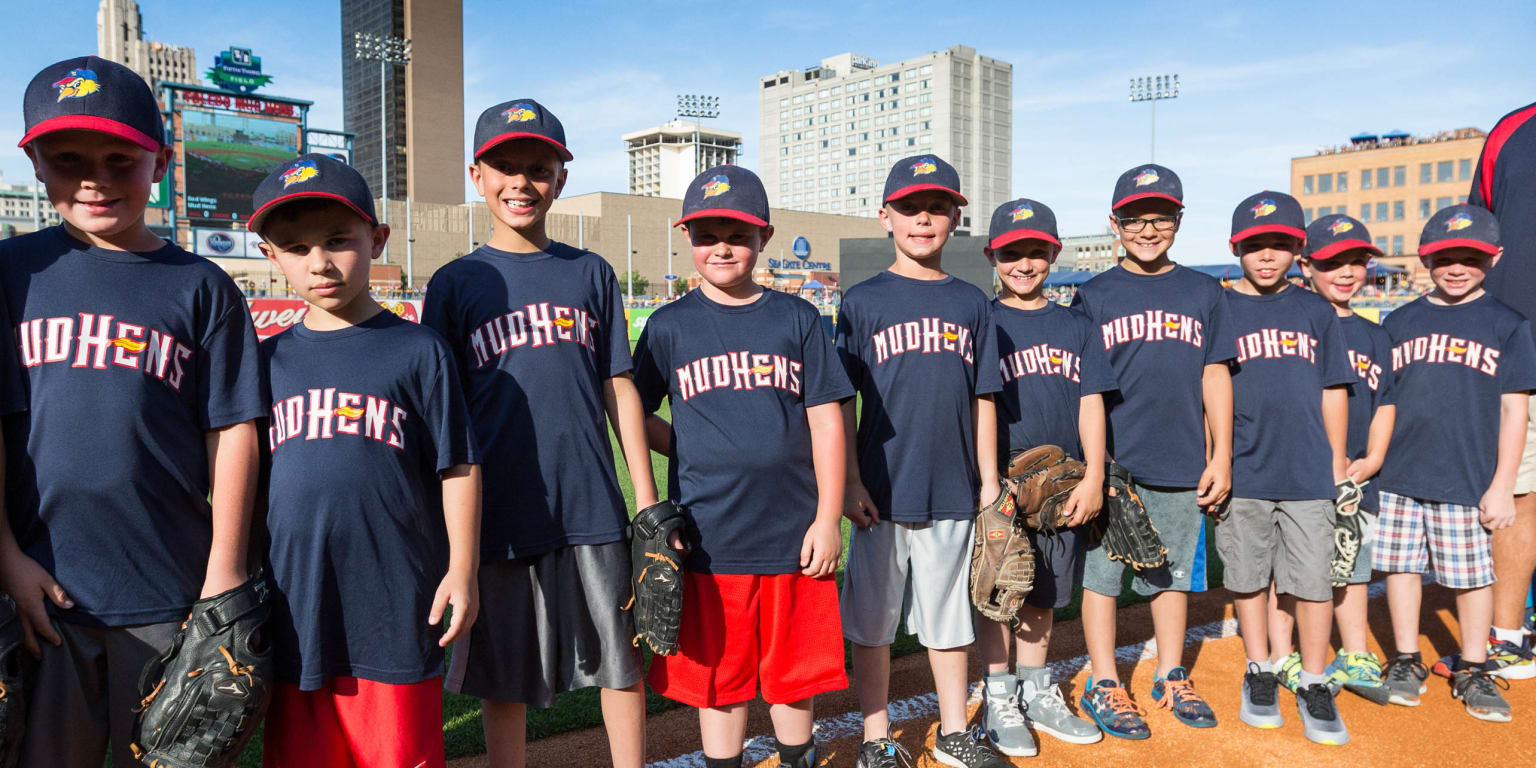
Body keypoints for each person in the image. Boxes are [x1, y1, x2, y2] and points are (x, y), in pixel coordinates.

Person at [0, 56, 265, 767]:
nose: (95, 178)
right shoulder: (12, 273)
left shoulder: (200, 286)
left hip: (169, 589)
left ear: (162, 162)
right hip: (45, 591)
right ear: (33, 160)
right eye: (68, 159)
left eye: (122, 159)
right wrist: (5, 557)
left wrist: (225, 571)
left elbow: (233, 429)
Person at [423, 99, 658, 768]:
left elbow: (619, 383)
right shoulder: (455, 282)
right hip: (496, 509)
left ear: (559, 177)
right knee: (504, 676)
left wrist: (645, 499)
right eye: (504, 167)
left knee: (622, 663)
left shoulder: (589, 273)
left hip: (590, 503)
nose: (520, 182)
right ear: (477, 175)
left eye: (538, 167)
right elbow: (441, 411)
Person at [249, 155, 481, 767]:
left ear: (376, 240)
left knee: (400, 756)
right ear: (272, 257)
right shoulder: (265, 360)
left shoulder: (418, 349)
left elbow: (458, 464)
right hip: (295, 602)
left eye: (338, 241)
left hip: (397, 598)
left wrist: (462, 569)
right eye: (296, 247)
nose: (319, 262)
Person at [633, 165, 852, 768]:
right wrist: (689, 447)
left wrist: (828, 518)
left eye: (737, 232)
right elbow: (634, 414)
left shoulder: (797, 318)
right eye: (706, 234)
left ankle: (797, 758)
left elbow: (827, 421)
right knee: (720, 682)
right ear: (687, 239)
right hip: (708, 538)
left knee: (794, 678)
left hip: (793, 535)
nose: (721, 246)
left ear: (765, 237)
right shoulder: (668, 325)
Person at [837, 155, 1008, 768]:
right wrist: (850, 480)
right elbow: (839, 405)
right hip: (879, 493)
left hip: (952, 489)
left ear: (956, 217)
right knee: (874, 627)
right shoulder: (861, 302)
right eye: (909, 208)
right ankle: (876, 738)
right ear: (886, 217)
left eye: (937, 207)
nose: (923, 218)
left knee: (949, 622)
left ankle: (956, 730)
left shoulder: (972, 303)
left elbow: (985, 396)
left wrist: (988, 482)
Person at [1070, 164, 1235, 738]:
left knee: (1171, 576)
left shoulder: (1203, 291)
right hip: (1112, 464)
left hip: (1180, 456)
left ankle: (1170, 672)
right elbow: (1082, 387)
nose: (1147, 229)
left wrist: (1221, 456)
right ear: (1114, 223)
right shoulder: (1092, 295)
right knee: (1102, 577)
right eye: (1134, 219)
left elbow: (1216, 375)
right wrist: (1090, 467)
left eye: (1159, 218)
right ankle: (1105, 680)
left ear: (1178, 220)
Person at [1373, 205, 1536, 722]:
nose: (1458, 266)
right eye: (1445, 257)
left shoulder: (1507, 324)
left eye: (1472, 257)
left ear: (1495, 258)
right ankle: (1404, 658)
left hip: (1467, 475)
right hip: (1400, 473)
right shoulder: (1398, 321)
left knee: (1471, 576)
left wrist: (1503, 484)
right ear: (1426, 258)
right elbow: (1384, 400)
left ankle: (1473, 665)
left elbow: (1515, 410)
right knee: (1400, 567)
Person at [977, 198, 1111, 755]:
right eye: (1012, 253)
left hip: (1062, 487)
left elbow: (1091, 402)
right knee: (998, 585)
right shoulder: (985, 318)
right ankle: (997, 695)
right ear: (993, 257)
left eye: (1036, 252)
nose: (1024, 264)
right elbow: (977, 401)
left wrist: (1094, 476)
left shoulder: (1076, 324)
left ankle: (1035, 689)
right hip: (1003, 484)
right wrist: (988, 483)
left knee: (1045, 592)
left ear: (1053, 254)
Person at [1218, 193, 1353, 744]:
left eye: (1279, 244)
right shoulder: (1220, 307)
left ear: (1299, 250)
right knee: (1248, 577)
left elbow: (1334, 390)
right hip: (1244, 468)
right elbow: (1211, 387)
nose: (1267, 255)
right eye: (1255, 245)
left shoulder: (1316, 310)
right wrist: (1217, 457)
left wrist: (1337, 462)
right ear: (1236, 248)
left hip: (1306, 471)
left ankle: (1315, 679)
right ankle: (1261, 669)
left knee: (1314, 581)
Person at [1296, 215, 1396, 704]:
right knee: (1291, 563)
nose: (1346, 271)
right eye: (1332, 261)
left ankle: (1355, 651)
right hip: (1300, 467)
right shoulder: (1296, 321)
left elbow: (1386, 402)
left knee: (1351, 559)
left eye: (1355, 260)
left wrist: (1374, 456)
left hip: (1355, 473)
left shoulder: (1375, 335)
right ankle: (1288, 650)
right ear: (1307, 264)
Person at [1470, 101, 1536, 678]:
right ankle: (1511, 637)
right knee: (1518, 496)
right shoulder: (1512, 131)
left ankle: (1513, 634)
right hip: (1521, 343)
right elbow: (1476, 232)